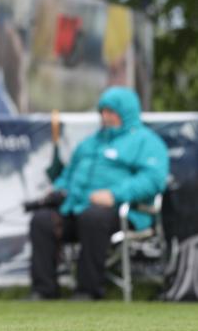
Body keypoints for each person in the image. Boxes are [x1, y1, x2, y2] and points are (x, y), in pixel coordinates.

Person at [29, 86, 168, 300]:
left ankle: (88, 290)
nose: (105, 116)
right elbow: (68, 174)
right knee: (42, 220)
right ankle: (43, 290)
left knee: (93, 217)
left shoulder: (146, 141)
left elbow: (153, 179)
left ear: (126, 112)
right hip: (75, 207)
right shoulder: (89, 143)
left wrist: (114, 194)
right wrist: (58, 190)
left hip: (120, 212)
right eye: (102, 111)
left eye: (111, 111)